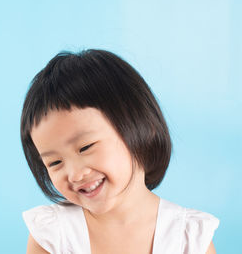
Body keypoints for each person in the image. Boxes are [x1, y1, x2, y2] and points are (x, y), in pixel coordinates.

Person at [20, 49, 220, 254]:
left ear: (140, 127)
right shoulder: (53, 234)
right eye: (54, 163)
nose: (75, 174)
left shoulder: (189, 238)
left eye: (85, 147)